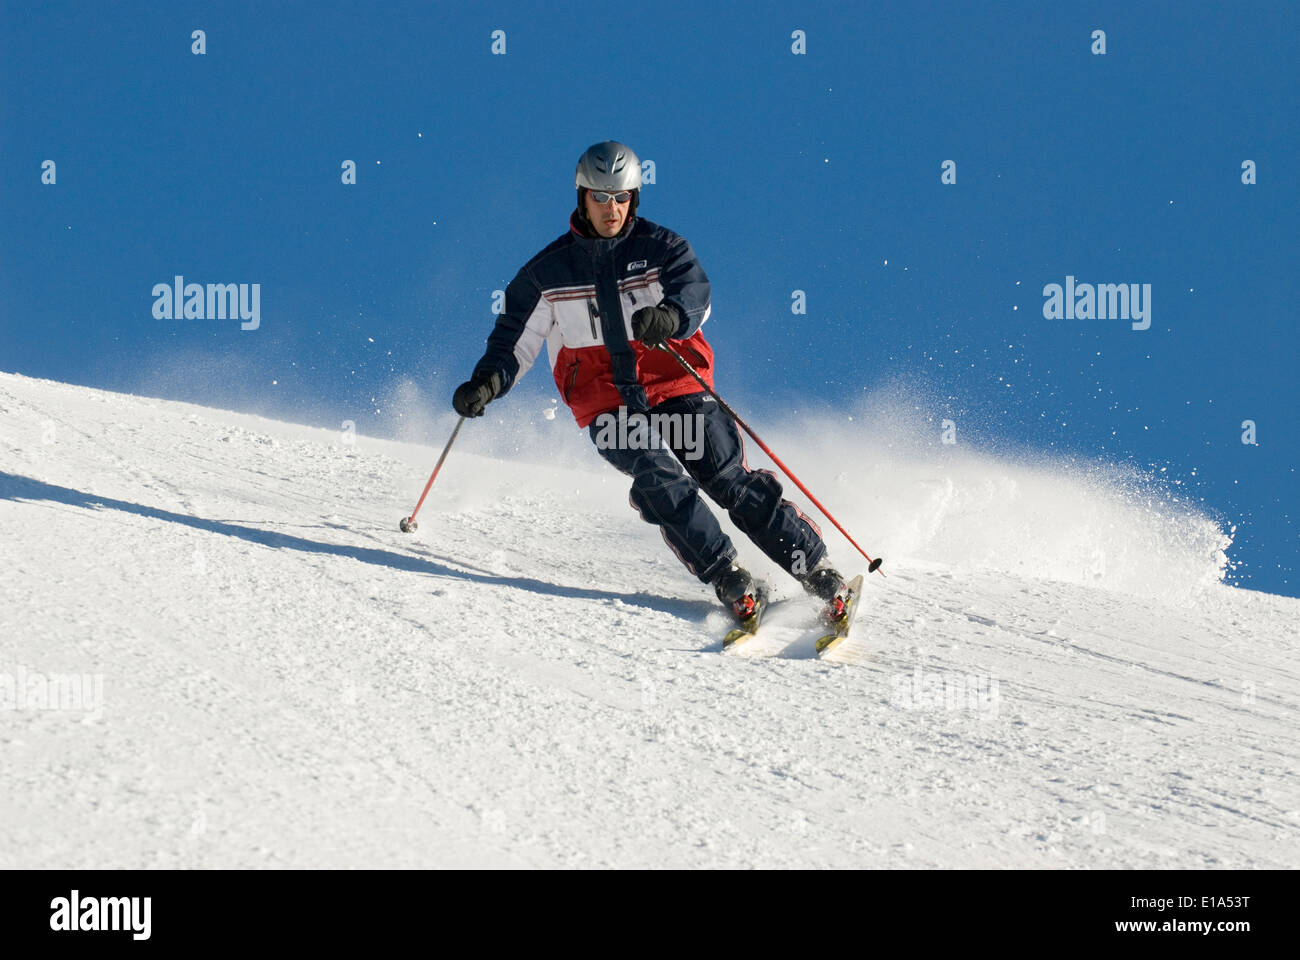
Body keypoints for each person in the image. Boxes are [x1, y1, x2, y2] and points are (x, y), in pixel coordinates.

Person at [452, 140, 847, 621]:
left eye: (621, 197)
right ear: (582, 198)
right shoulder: (545, 275)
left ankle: (818, 573)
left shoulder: (662, 249)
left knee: (725, 479)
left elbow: (695, 293)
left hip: (674, 384)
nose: (611, 209)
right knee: (658, 475)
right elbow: (514, 340)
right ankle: (729, 577)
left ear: (634, 197)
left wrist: (670, 317)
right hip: (606, 402)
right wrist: (486, 384)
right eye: (600, 197)